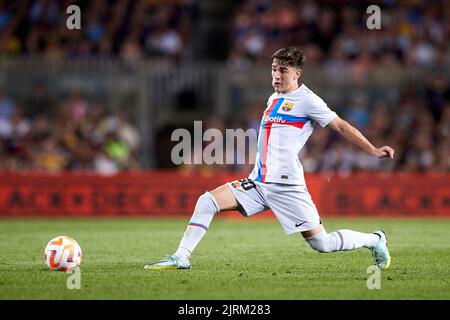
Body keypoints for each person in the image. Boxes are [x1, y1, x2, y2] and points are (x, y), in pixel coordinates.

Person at [144, 47, 394, 270]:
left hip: (287, 186)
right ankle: (181, 257)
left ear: (297, 73)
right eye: (274, 69)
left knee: (322, 243)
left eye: (283, 71)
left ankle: (374, 239)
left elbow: (339, 125)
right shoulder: (273, 98)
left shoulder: (308, 100)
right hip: (259, 183)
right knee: (207, 201)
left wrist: (372, 149)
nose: (276, 75)